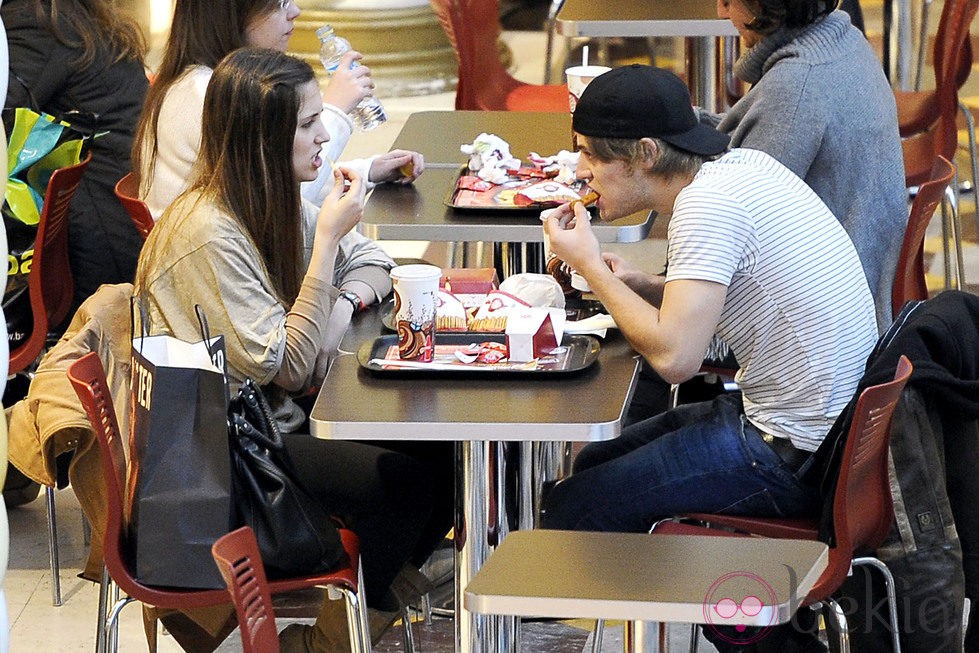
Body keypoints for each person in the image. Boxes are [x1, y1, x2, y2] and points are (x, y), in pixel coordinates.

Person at [540, 64, 878, 644]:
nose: (581, 171)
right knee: (592, 467)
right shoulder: (742, 169)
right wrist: (640, 285)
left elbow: (675, 359)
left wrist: (593, 267)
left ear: (646, 152)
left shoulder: (706, 208)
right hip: (826, 431)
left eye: (591, 156)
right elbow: (717, 307)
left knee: (578, 509)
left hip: (793, 451)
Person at [135, 48, 451, 653]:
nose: (323, 137)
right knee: (402, 485)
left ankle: (374, 600)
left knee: (442, 448)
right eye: (308, 125)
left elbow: (377, 261)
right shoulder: (207, 230)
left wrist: (338, 304)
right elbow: (290, 365)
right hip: (230, 452)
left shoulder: (270, 194)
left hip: (278, 418)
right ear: (262, 140)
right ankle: (333, 633)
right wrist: (328, 244)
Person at [710, 0, 906, 333]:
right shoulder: (843, 39)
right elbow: (756, 132)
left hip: (814, 328)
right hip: (854, 297)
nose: (720, 11)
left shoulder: (795, 85)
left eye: (729, 0)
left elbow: (728, 230)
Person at [133, 0, 420, 221]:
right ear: (232, 13)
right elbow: (284, 210)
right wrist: (336, 110)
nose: (294, 11)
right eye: (278, 2)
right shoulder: (207, 94)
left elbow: (279, 183)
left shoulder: (206, 82)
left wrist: (366, 171)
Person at [2, 0, 148, 314]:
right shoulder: (76, 18)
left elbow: (3, 120)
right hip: (117, 232)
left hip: (88, 254)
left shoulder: (36, 21)